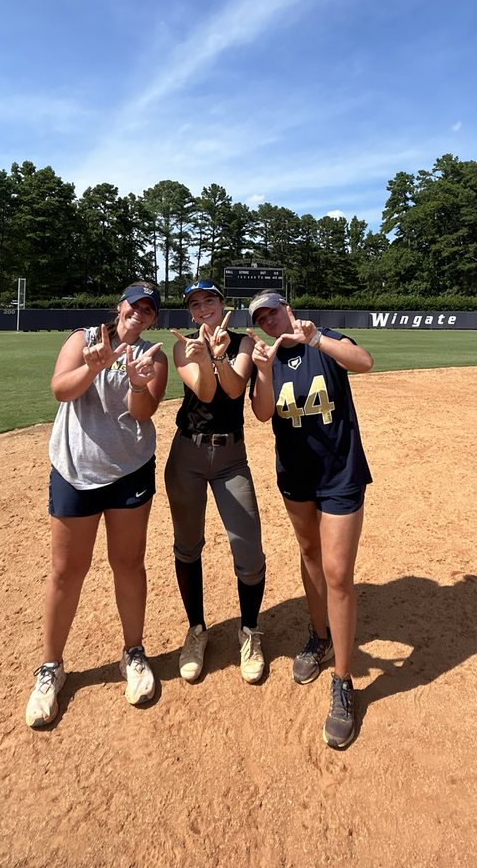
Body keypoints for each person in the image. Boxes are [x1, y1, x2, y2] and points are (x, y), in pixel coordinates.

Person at [25, 282, 168, 728]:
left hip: (129, 470)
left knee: (128, 563)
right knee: (67, 570)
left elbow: (142, 413)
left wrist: (139, 382)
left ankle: (134, 654)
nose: (139, 313)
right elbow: (60, 390)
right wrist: (92, 368)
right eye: (134, 305)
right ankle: (51, 667)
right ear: (119, 306)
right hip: (74, 470)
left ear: (152, 318)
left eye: (148, 310)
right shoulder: (83, 339)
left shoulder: (154, 356)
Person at [247, 293, 373, 749]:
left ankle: (342, 680)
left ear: (289, 309)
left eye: (273, 312)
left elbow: (364, 362)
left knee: (338, 572)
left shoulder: (321, 339)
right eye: (261, 318)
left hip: (340, 474)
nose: (269, 321)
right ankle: (318, 636)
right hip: (296, 477)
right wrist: (262, 370)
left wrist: (317, 338)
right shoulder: (269, 358)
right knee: (309, 553)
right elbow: (262, 413)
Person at [164, 280, 267, 685]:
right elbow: (205, 391)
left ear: (223, 304)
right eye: (195, 303)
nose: (203, 307)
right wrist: (205, 357)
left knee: (248, 548)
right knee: (188, 545)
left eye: (210, 300)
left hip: (230, 457)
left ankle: (249, 631)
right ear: (190, 312)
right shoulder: (182, 345)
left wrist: (221, 355)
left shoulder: (242, 343)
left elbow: (234, 387)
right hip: (187, 455)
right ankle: (196, 631)